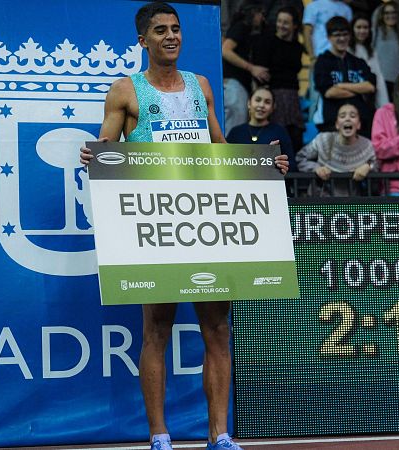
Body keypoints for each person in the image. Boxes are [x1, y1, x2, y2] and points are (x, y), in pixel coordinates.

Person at [79, 4, 289, 450]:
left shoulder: (201, 87)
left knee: (216, 329)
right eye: (160, 30)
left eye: (176, 29)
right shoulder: (125, 91)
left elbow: (218, 149)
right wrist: (94, 153)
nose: (170, 36)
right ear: (143, 40)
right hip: (155, 227)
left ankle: (220, 433)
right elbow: (106, 149)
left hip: (204, 222)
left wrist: (261, 165)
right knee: (156, 328)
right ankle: (159, 435)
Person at [253, 6, 306, 150]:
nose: (281, 25)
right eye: (279, 21)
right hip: (274, 93)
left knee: (295, 134)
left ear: (295, 25)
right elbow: (261, 73)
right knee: (275, 135)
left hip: (293, 96)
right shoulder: (267, 42)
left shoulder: (297, 47)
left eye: (286, 22)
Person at [314, 16, 376, 136]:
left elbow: (371, 87)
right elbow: (329, 92)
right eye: (337, 35)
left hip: (360, 125)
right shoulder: (322, 62)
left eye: (345, 34)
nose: (342, 38)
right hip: (331, 124)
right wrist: (358, 89)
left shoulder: (358, 62)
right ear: (328, 37)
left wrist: (341, 85)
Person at [297, 103, 377, 196]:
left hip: (353, 202)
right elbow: (300, 158)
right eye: (342, 116)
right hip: (322, 201)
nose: (347, 119)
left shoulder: (367, 145)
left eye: (353, 116)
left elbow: (377, 165)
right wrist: (316, 168)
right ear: (337, 124)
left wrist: (368, 167)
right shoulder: (323, 139)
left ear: (358, 124)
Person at [221, 1, 268, 136]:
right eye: (260, 14)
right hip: (234, 86)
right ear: (253, 12)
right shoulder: (241, 27)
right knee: (234, 126)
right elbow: (225, 50)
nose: (262, 18)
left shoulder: (247, 32)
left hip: (238, 86)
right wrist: (251, 68)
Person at [226, 86, 297, 172]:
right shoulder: (235, 132)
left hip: (270, 183)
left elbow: (292, 165)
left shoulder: (279, 131)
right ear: (249, 103)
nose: (261, 105)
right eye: (258, 100)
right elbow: (225, 162)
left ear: (273, 107)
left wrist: (280, 164)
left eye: (267, 102)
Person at [349, 14, 390, 108]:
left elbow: (378, 77)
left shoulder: (371, 51)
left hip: (369, 99)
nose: (362, 31)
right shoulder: (347, 49)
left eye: (365, 27)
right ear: (352, 29)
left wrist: (383, 105)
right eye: (358, 27)